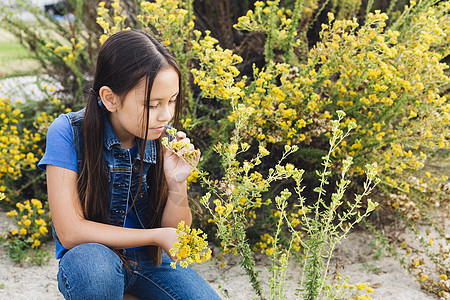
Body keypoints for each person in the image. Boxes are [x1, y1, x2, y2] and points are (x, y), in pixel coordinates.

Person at [38, 29, 221, 300]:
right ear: (111, 98)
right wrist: (155, 237)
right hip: (93, 258)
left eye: (171, 101)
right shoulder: (68, 131)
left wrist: (177, 182)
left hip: (151, 265)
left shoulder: (162, 136)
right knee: (96, 273)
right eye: (152, 104)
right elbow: (70, 232)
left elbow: (178, 241)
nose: (166, 114)